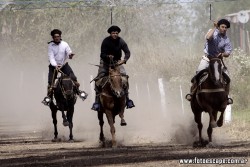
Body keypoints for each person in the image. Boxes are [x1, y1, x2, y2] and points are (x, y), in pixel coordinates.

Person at [186, 19, 233, 104]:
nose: (224, 29)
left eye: (226, 27)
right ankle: (192, 93)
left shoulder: (226, 40)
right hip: (207, 59)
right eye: (222, 27)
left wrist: (223, 54)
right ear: (218, 27)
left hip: (218, 61)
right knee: (198, 73)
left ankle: (227, 96)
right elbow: (208, 37)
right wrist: (214, 27)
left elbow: (228, 52)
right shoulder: (212, 32)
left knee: (227, 78)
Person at [91, 25, 135, 111]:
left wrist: (124, 60)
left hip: (117, 63)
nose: (115, 34)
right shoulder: (105, 41)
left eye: (116, 33)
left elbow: (127, 52)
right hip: (105, 63)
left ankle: (128, 99)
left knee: (124, 79)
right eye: (113, 33)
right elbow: (102, 54)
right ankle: (97, 102)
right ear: (110, 34)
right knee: (98, 80)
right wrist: (108, 56)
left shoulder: (121, 41)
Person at [42, 29, 82, 106]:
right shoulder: (50, 46)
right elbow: (51, 57)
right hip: (54, 67)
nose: (57, 38)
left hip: (63, 65)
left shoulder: (64, 44)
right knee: (51, 83)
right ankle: (49, 98)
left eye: (58, 36)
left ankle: (78, 92)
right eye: (55, 37)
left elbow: (68, 53)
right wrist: (55, 65)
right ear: (53, 38)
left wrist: (70, 55)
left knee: (73, 78)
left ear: (60, 37)